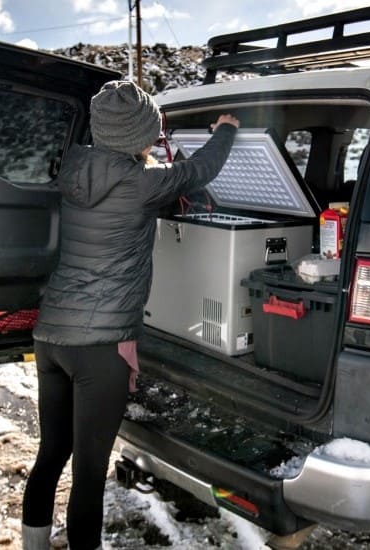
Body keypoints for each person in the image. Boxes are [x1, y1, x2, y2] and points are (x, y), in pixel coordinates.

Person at [22, 80, 240, 550]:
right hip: (101, 348)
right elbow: (199, 172)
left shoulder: (74, 167)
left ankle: (33, 544)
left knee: (51, 454)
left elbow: (152, 175)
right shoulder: (143, 184)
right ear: (142, 132)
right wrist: (225, 131)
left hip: (51, 337)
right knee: (89, 473)